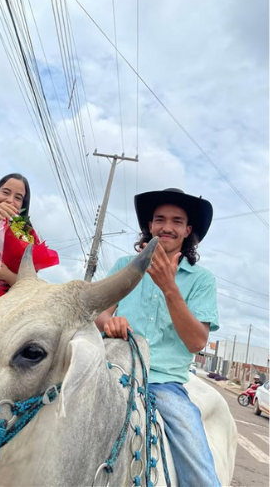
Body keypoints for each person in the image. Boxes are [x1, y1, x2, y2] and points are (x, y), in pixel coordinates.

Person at [94, 188, 219, 486]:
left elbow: (196, 342)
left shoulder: (202, 280)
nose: (167, 227)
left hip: (164, 384)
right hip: (110, 368)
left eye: (177, 221)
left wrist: (169, 287)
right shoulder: (126, 265)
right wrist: (109, 321)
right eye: (159, 219)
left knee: (200, 470)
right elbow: (99, 313)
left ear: (188, 231)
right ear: (150, 226)